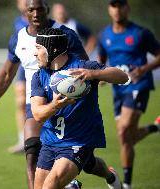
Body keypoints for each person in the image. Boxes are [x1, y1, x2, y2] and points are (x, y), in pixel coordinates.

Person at [0, 0, 88, 188]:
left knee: (84, 162)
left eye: (40, 9)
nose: (35, 13)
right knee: (31, 152)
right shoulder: (19, 39)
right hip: (35, 104)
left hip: (66, 105)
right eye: (31, 9)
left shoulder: (65, 34)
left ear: (47, 10)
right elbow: (7, 75)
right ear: (25, 11)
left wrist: (74, 86)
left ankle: (104, 176)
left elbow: (84, 66)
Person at [31, 28, 128, 189]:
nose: (35, 53)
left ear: (53, 49)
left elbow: (123, 77)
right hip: (50, 141)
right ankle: (109, 176)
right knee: (90, 165)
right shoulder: (39, 76)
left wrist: (93, 74)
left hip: (79, 140)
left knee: (50, 186)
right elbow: (38, 114)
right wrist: (56, 105)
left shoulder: (83, 67)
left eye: (39, 48)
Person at [97, 0, 160, 188]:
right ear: (109, 9)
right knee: (125, 137)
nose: (117, 10)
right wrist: (101, 75)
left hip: (138, 86)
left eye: (121, 5)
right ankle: (154, 128)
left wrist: (143, 69)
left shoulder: (141, 33)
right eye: (113, 6)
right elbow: (101, 61)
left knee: (124, 131)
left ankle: (126, 185)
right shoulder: (104, 35)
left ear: (127, 8)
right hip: (119, 90)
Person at [8, 0, 28, 154]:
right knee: (20, 102)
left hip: (41, 66)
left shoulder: (43, 19)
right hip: (23, 66)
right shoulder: (17, 22)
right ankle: (22, 140)